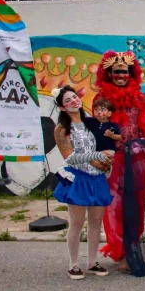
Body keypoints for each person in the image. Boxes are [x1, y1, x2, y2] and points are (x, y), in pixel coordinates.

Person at [95, 51, 145, 272]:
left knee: (136, 204)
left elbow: (144, 125)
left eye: (125, 71)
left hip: (135, 157)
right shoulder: (101, 97)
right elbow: (97, 127)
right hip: (114, 158)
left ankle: (133, 248)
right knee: (114, 205)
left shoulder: (139, 97)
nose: (121, 75)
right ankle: (120, 250)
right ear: (108, 73)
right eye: (117, 71)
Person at [51, 86, 114, 279]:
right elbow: (69, 157)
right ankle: (74, 264)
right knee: (77, 223)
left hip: (97, 177)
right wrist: (96, 156)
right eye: (68, 100)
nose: (74, 101)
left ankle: (93, 262)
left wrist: (107, 163)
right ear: (62, 107)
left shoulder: (91, 123)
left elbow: (105, 145)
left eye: (75, 97)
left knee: (96, 223)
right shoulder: (61, 129)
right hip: (79, 178)